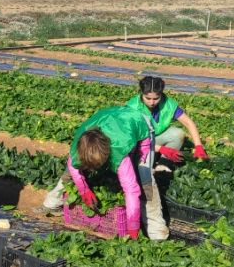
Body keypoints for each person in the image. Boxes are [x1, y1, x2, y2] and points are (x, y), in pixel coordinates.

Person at [66, 105, 169, 240]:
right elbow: (73, 166)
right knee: (67, 174)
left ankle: (156, 230)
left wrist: (132, 227)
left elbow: (131, 190)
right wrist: (83, 189)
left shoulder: (119, 152)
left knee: (144, 179)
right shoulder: (79, 147)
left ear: (108, 154)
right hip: (110, 118)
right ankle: (51, 203)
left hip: (139, 124)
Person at [125, 75, 209, 164]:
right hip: (137, 145)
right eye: (148, 98)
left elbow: (188, 123)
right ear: (141, 93)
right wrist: (160, 148)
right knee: (143, 169)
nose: (152, 102)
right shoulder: (133, 108)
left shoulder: (167, 104)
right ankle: (145, 162)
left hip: (154, 138)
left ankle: (164, 164)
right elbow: (130, 140)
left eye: (156, 98)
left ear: (161, 94)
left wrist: (198, 146)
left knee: (178, 134)